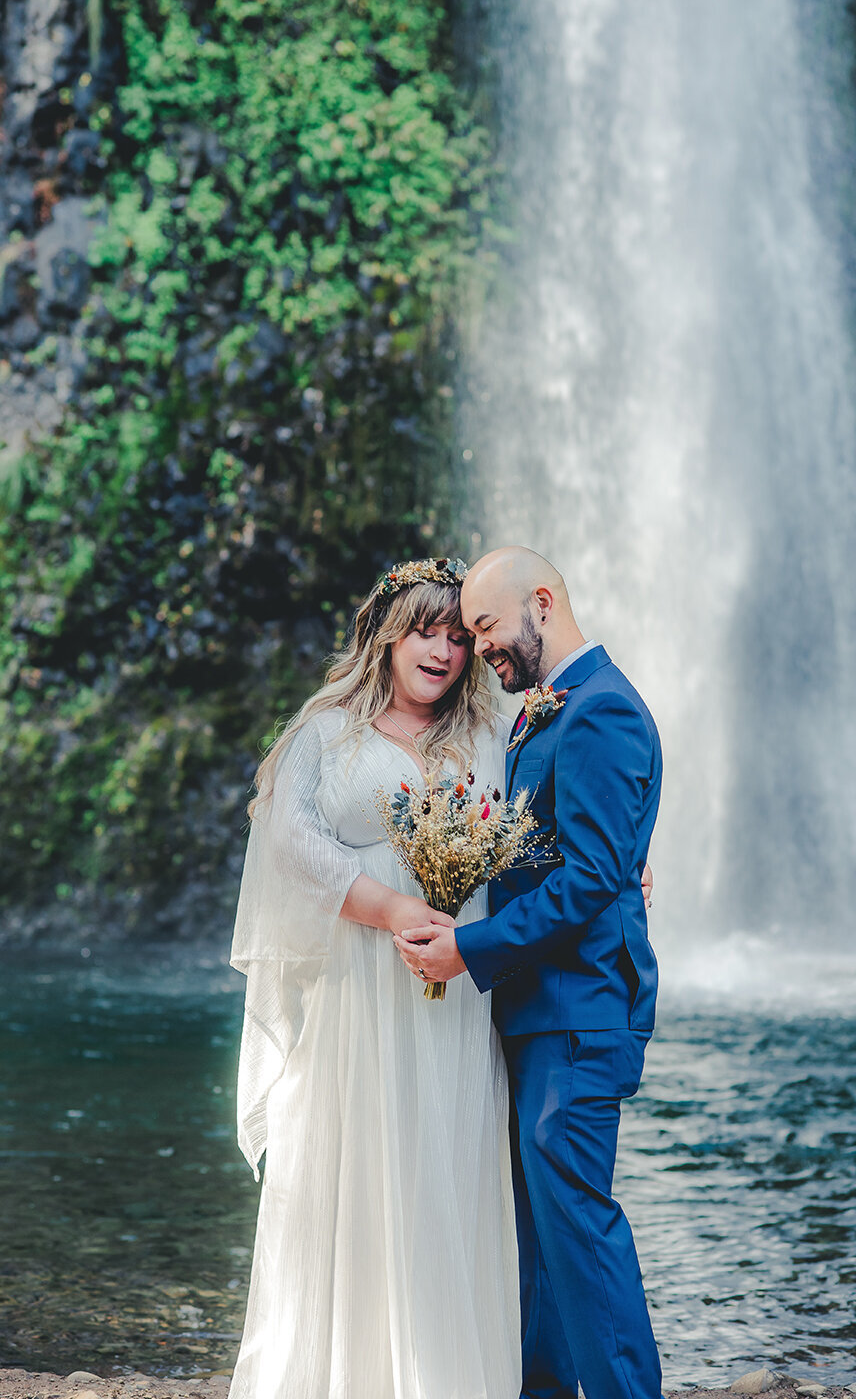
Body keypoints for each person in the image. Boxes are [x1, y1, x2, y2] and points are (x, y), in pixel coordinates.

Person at [228, 557, 522, 1399]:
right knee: (356, 1163)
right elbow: (290, 843)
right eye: (425, 629)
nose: (443, 649)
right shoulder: (326, 730)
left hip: (455, 987)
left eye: (460, 636)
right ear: (386, 634)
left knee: (447, 1155)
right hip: (358, 986)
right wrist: (389, 909)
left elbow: (548, 813)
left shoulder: (487, 735)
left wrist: (631, 856)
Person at [396, 546, 663, 1399]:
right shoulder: (543, 713)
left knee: (576, 1227)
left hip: (581, 1014)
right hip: (539, 1009)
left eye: (485, 627)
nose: (477, 649)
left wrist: (468, 952)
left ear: (540, 602)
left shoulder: (602, 711)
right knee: (538, 1234)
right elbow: (580, 855)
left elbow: (590, 879)